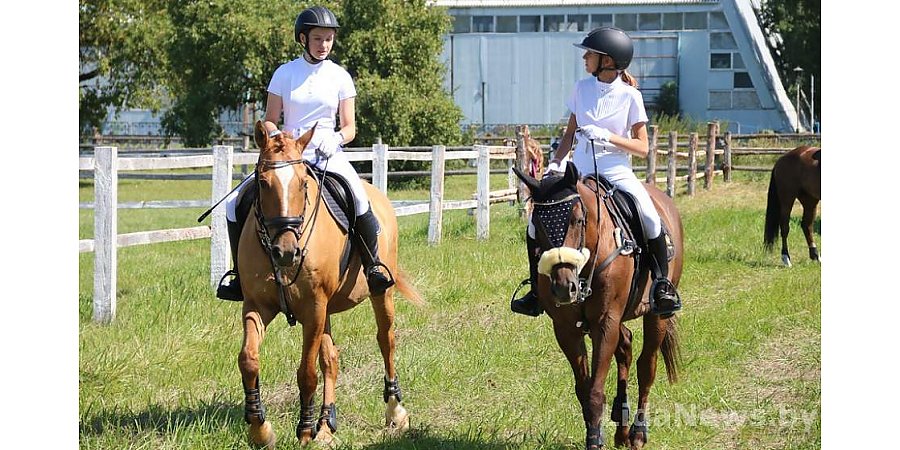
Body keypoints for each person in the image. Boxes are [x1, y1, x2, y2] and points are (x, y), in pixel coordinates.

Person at [216, 5, 394, 301]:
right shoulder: (285, 74)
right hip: (289, 154)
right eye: (318, 39)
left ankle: (373, 267)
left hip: (327, 152)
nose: (324, 45)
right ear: (303, 39)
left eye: (328, 39)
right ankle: (239, 275)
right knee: (234, 203)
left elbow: (350, 127)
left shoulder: (340, 77)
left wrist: (336, 138)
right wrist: (275, 134)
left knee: (360, 199)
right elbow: (271, 117)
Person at [511, 27, 681, 317]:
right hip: (580, 170)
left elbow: (642, 147)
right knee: (533, 223)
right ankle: (535, 290)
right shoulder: (581, 89)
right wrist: (556, 162)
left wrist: (607, 136)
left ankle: (661, 285)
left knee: (651, 218)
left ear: (608, 60)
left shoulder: (630, 97)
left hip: (615, 171)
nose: (585, 58)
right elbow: (569, 135)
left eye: (589, 53)